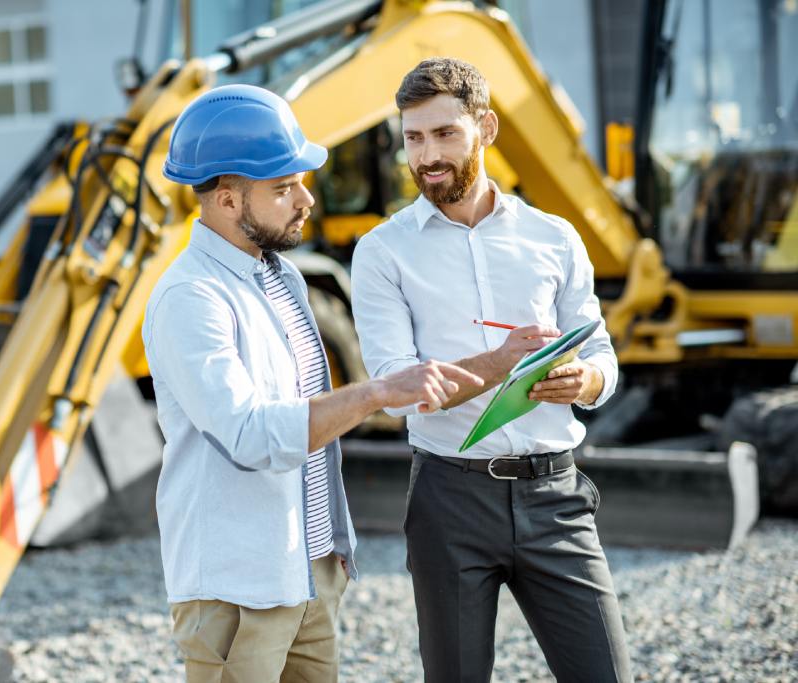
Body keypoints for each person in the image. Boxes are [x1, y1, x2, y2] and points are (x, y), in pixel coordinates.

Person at [143, 83, 483, 683]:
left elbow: (310, 423)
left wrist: (332, 552)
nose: (306, 200)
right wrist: (377, 393)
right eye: (283, 188)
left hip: (308, 570)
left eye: (301, 180)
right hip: (236, 590)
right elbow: (249, 435)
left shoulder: (283, 281)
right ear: (226, 199)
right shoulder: (190, 298)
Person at [350, 58, 633, 681]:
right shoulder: (381, 253)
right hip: (449, 500)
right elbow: (398, 391)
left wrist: (584, 381)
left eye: (445, 133)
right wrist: (499, 363)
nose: (427, 156)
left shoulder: (554, 238)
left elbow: (602, 356)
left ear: (487, 128)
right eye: (413, 138)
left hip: (555, 497)